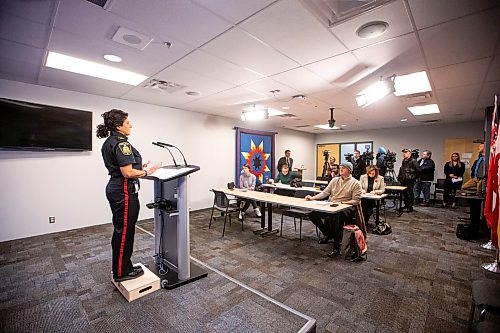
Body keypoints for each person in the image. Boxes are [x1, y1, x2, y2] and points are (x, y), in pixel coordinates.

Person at [97, 109, 159, 282]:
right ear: (118, 126)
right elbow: (127, 172)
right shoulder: (121, 143)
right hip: (123, 191)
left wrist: (140, 165)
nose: (130, 125)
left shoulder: (111, 141)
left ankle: (125, 266)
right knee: (124, 232)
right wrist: (148, 171)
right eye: (127, 122)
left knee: (124, 230)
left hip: (118, 189)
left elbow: (124, 166)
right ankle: (121, 272)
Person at [305, 162, 362, 256]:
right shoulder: (335, 180)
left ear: (349, 170)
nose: (341, 169)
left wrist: (341, 203)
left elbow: (355, 201)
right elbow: (325, 193)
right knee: (313, 215)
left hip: (346, 207)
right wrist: (313, 198)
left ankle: (336, 248)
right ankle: (328, 234)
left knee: (338, 218)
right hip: (332, 204)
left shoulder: (355, 183)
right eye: (340, 168)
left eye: (343, 168)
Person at [397, 148, 420, 213]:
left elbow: (418, 171)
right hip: (403, 180)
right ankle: (406, 205)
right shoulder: (404, 160)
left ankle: (410, 206)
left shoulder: (413, 161)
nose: (404, 154)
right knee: (405, 193)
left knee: (409, 193)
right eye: (403, 153)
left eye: (406, 152)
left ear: (410, 153)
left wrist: (414, 177)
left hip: (410, 181)